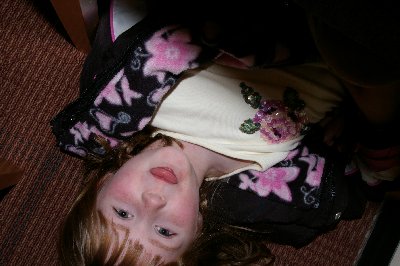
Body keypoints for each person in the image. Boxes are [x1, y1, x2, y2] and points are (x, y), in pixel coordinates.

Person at [52, 0, 368, 264]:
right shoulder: (268, 169)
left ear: (102, 184)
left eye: (123, 212)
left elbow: (127, 26)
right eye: (164, 232)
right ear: (197, 228)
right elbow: (342, 185)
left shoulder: (122, 106)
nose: (152, 201)